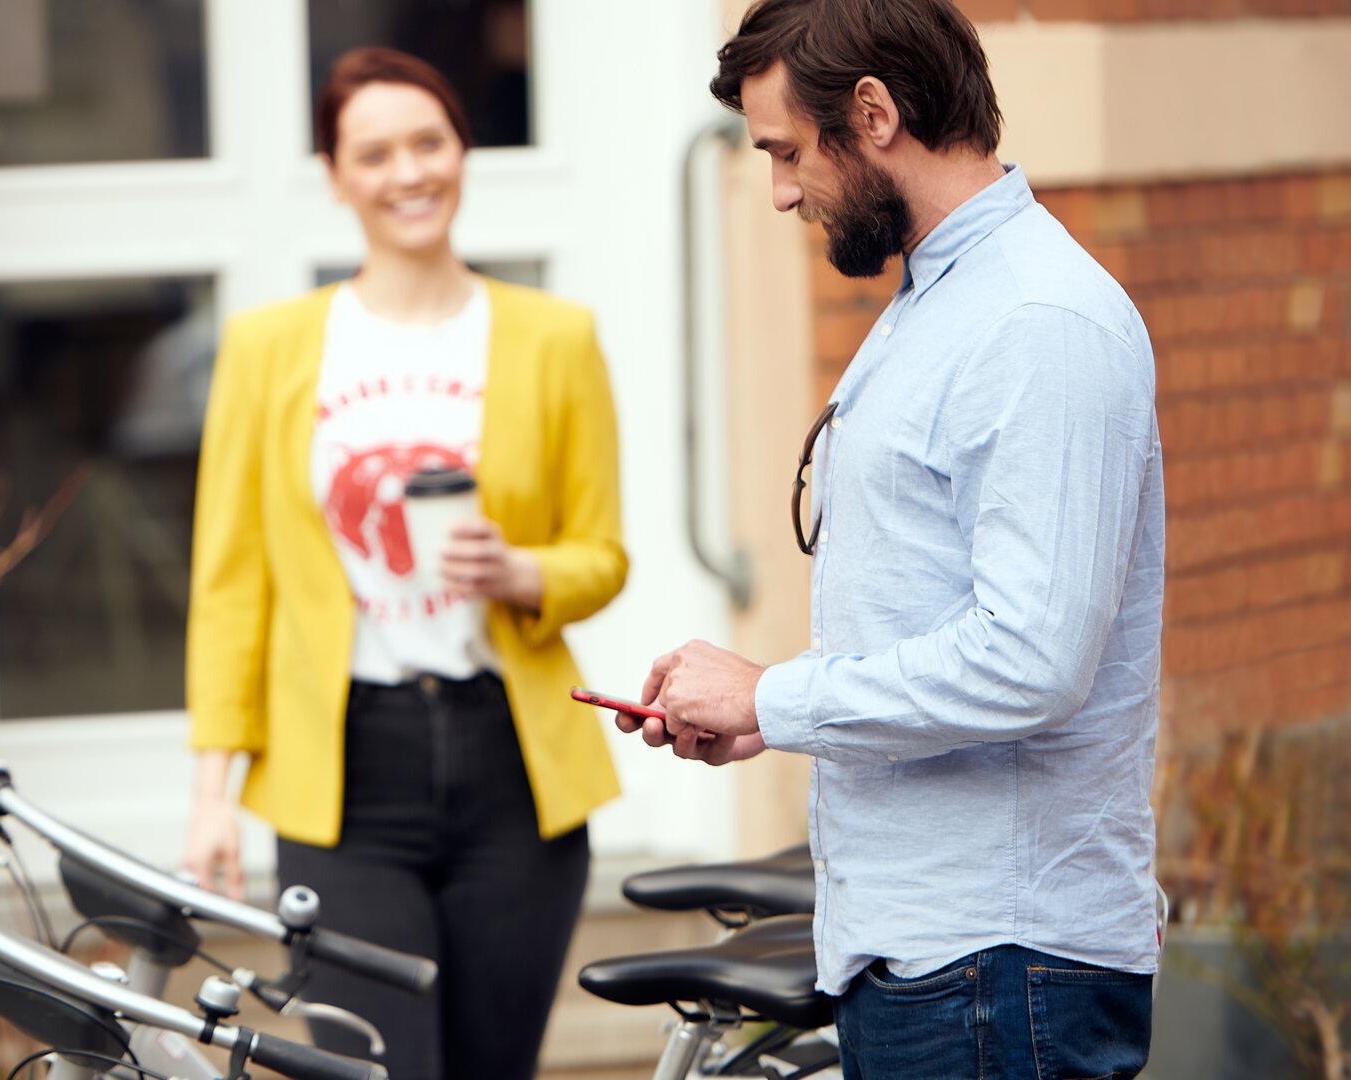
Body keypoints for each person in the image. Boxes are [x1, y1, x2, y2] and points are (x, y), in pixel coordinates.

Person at [616, 2, 1164, 1078]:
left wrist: (772, 697)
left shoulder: (1036, 324)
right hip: (941, 961)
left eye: (785, 151)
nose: (778, 189)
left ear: (872, 113)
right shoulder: (942, 300)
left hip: (1001, 971)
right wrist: (762, 718)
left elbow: (1030, 662)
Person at [183, 46, 627, 1080]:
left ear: (463, 153)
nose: (408, 172)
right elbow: (230, 585)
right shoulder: (269, 349)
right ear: (336, 177)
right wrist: (213, 794)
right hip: (346, 773)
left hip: (512, 766)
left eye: (428, 142)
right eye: (373, 153)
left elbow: (602, 556)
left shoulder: (555, 340)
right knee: (375, 1071)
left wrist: (520, 572)